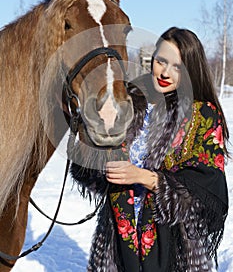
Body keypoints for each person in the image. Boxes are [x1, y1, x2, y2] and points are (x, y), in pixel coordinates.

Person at [71, 27, 229, 272]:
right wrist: (90, 127)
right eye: (161, 61)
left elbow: (206, 191)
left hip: (173, 248)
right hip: (117, 242)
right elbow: (90, 174)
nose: (165, 72)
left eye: (177, 66)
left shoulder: (202, 114)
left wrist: (146, 178)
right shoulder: (128, 101)